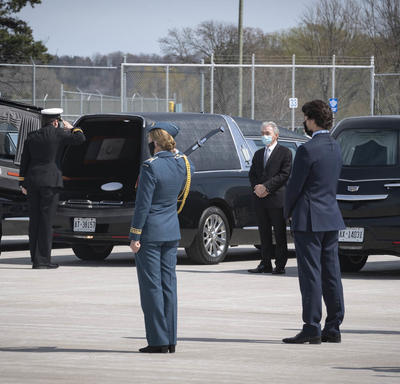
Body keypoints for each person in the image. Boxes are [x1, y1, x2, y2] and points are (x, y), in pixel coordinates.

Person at [283, 100, 345, 344]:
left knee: (310, 274)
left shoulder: (307, 150)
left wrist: (287, 211)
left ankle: (311, 326)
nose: (304, 123)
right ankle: (334, 325)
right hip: (330, 216)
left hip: (308, 218)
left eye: (306, 118)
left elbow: (295, 186)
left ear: (311, 119)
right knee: (331, 273)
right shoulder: (335, 146)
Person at [129, 121, 194, 354]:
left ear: (155, 143)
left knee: (151, 287)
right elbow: (189, 173)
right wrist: (176, 153)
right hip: (170, 231)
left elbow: (142, 205)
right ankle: (171, 339)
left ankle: (157, 340)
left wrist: (135, 234)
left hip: (150, 232)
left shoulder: (150, 167)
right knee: (169, 285)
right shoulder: (183, 164)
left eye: (150, 141)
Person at [19, 108, 85, 269]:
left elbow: (24, 160)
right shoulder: (59, 134)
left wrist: (22, 182)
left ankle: (35, 258)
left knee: (34, 221)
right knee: (46, 221)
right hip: (50, 182)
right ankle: (43, 260)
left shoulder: (32, 136)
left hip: (33, 181)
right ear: (56, 122)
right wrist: (72, 127)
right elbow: (80, 138)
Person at [248, 121, 292, 274]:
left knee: (279, 233)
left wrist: (267, 187)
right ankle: (265, 263)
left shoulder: (285, 153)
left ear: (276, 135)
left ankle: (280, 265)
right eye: (263, 133)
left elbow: (284, 175)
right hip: (260, 199)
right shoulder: (259, 153)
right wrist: (257, 188)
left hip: (276, 199)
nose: (264, 136)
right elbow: (252, 174)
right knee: (264, 233)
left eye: (267, 133)